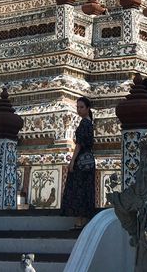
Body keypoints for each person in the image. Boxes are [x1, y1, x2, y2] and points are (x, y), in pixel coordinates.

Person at [60, 96, 96, 228]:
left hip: (81, 160)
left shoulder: (84, 124)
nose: (79, 110)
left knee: (79, 188)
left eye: (81, 107)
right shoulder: (89, 123)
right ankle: (84, 219)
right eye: (78, 107)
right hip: (89, 160)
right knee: (86, 188)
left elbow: (79, 144)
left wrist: (72, 161)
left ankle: (80, 220)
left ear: (88, 108)